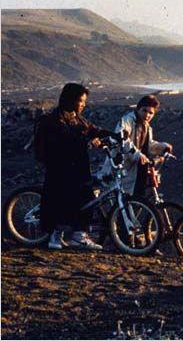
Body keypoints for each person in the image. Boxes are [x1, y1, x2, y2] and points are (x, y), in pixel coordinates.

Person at [40, 83, 114, 250]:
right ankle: (55, 235)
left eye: (84, 101)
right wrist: (87, 142)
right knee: (62, 200)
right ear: (70, 99)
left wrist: (114, 135)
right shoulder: (54, 120)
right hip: (60, 168)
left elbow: (93, 129)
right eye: (80, 101)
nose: (83, 104)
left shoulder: (77, 118)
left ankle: (79, 236)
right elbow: (65, 140)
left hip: (79, 167)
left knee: (87, 198)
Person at [101, 95, 172, 198]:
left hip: (134, 169)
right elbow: (123, 140)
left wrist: (163, 147)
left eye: (151, 113)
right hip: (120, 167)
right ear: (138, 109)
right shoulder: (127, 121)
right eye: (144, 111)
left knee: (132, 200)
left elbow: (148, 145)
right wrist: (138, 155)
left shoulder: (147, 127)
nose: (147, 115)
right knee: (121, 203)